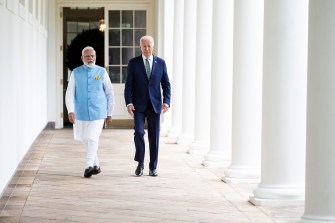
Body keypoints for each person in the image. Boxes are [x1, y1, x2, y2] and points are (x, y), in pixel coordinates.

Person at [124, 35, 171, 177]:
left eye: (149, 46)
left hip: (155, 105)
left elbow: (166, 84)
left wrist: (167, 101)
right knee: (139, 132)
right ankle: (140, 163)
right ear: (140, 47)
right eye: (144, 46)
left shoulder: (161, 63)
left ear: (153, 46)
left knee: (154, 136)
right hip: (138, 105)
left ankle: (153, 167)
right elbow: (128, 86)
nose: (146, 48)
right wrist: (129, 102)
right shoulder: (134, 63)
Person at [65, 46, 115, 178]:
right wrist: (70, 110)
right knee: (86, 139)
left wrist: (109, 112)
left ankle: (88, 166)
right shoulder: (75, 72)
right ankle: (96, 165)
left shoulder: (102, 71)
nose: (90, 58)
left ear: (95, 57)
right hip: (80, 111)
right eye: (87, 56)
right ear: (82, 58)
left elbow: (110, 92)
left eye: (92, 56)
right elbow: (69, 93)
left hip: (98, 111)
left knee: (92, 137)